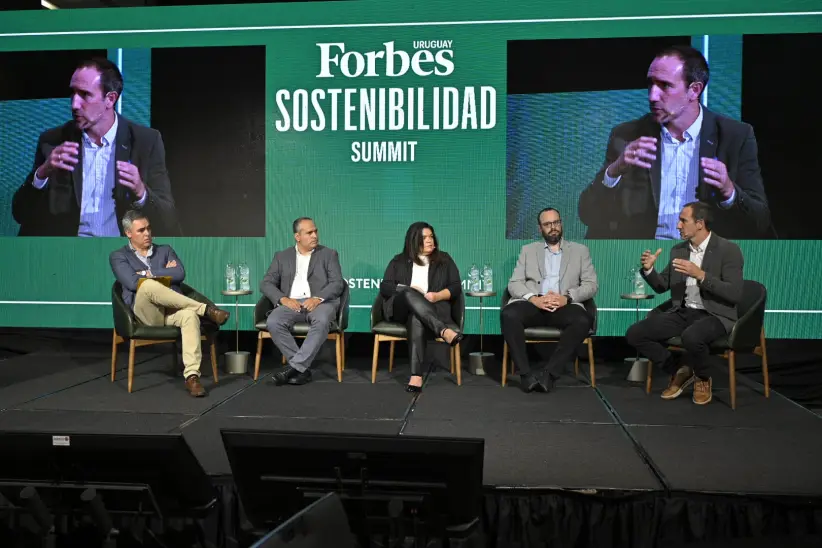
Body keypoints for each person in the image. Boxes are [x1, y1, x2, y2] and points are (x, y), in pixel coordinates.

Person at [578, 44, 770, 240]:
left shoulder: (735, 136)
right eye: (650, 84)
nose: (653, 96)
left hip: (705, 259)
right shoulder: (627, 135)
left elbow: (760, 223)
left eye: (665, 85)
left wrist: (729, 192)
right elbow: (588, 215)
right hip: (644, 257)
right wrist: (614, 171)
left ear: (694, 90)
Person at [12, 57, 177, 237]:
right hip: (67, 254)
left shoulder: (146, 141)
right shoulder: (53, 141)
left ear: (110, 99)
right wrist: (42, 173)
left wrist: (141, 191)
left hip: (122, 254)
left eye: (85, 94)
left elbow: (168, 219)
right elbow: (20, 214)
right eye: (72, 93)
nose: (74, 104)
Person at [626, 201, 744, 405]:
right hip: (683, 312)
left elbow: (734, 293)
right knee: (635, 333)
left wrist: (700, 275)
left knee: (692, 337)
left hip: (715, 314)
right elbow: (662, 286)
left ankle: (703, 378)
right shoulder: (678, 250)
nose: (678, 226)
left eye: (683, 220)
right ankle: (679, 370)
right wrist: (649, 270)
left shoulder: (728, 250)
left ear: (700, 223)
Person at [109, 210, 229, 397]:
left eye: (148, 228)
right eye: (141, 230)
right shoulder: (118, 256)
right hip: (144, 315)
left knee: (189, 316)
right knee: (146, 286)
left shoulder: (165, 250)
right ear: (128, 233)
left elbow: (179, 273)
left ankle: (192, 377)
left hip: (172, 311)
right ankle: (205, 310)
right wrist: (159, 273)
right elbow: (132, 283)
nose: (147, 233)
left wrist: (145, 272)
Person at [501, 208, 598, 393]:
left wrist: (567, 298)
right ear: (540, 229)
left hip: (564, 305)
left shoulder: (580, 251)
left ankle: (550, 374)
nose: (553, 228)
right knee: (509, 314)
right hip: (534, 305)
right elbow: (514, 284)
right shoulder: (528, 250)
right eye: (547, 224)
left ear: (561, 224)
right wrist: (534, 299)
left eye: (556, 222)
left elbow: (591, 285)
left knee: (583, 320)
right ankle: (526, 375)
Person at [379, 222, 464, 392]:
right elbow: (385, 287)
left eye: (431, 236)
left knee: (416, 317)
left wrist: (437, 295)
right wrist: (407, 290)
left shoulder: (444, 260)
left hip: (434, 308)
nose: (430, 241)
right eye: (424, 238)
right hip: (401, 309)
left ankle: (416, 376)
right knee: (410, 293)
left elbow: (456, 287)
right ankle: (443, 331)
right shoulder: (399, 260)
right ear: (413, 240)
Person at [261, 217, 345, 386]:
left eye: (315, 231)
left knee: (321, 321)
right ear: (297, 237)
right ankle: (302, 369)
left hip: (321, 303)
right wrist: (283, 299)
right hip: (292, 304)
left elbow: (337, 283)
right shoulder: (282, 256)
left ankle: (294, 368)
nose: (314, 235)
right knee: (274, 321)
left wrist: (317, 298)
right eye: (309, 233)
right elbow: (266, 283)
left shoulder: (328, 254)